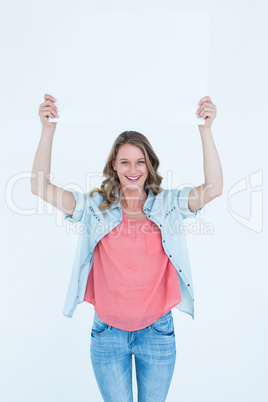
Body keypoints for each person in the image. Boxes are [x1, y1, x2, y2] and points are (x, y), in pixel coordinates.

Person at [31, 94, 222, 401]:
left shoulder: (168, 204)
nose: (133, 169)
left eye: (140, 161)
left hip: (157, 332)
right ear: (114, 166)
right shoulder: (96, 208)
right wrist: (47, 129)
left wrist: (205, 129)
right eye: (125, 161)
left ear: (150, 165)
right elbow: (40, 187)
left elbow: (213, 188)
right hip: (108, 335)